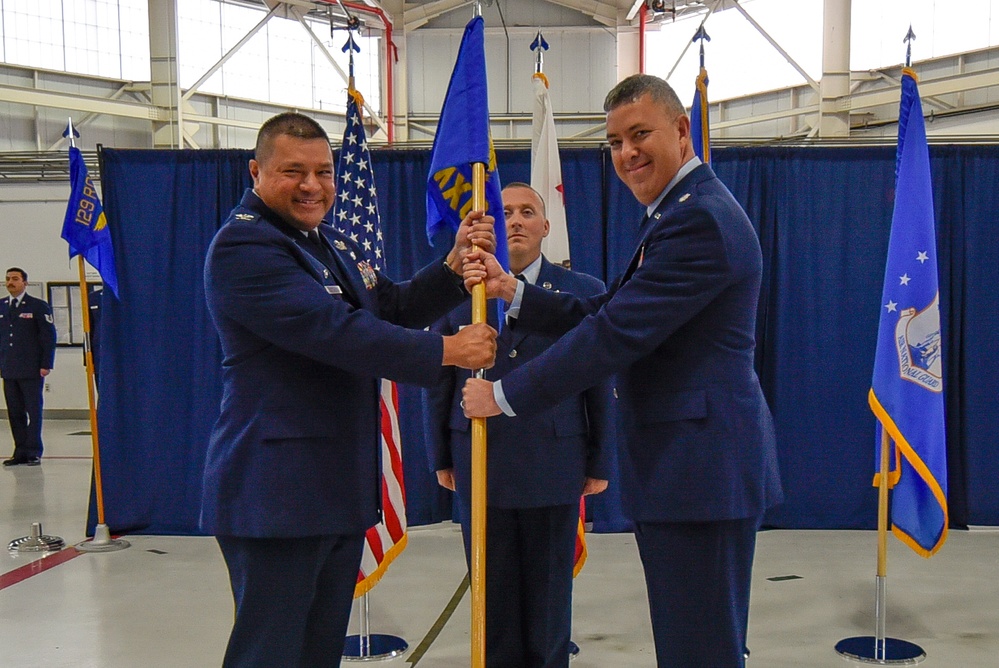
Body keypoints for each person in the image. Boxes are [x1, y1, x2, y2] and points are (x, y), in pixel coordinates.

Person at [461, 74, 783, 668]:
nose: (627, 154)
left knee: (701, 649)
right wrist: (518, 293)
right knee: (697, 642)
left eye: (640, 135)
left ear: (682, 131)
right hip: (692, 467)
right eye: (614, 142)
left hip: (699, 470)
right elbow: (614, 308)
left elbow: (611, 336)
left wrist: (503, 395)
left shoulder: (697, 221)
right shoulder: (680, 211)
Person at [201, 111, 498, 668]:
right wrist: (448, 352)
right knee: (270, 652)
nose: (313, 186)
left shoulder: (325, 240)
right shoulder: (246, 248)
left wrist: (454, 267)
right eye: (294, 171)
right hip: (276, 493)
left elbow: (388, 306)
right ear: (256, 172)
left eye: (324, 171)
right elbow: (335, 332)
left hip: (331, 486)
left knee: (316, 653)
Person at [424, 183, 612, 668]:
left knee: (549, 608)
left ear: (546, 227)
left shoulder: (583, 292)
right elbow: (440, 380)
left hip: (552, 463)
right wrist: (441, 455)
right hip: (479, 461)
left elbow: (597, 381)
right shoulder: (458, 289)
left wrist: (599, 459)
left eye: (528, 211)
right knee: (493, 604)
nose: (516, 220)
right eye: (504, 212)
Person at [1, 267, 56, 467]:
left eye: (15, 279)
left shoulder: (37, 306)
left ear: (25, 282)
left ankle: (34, 451)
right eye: (7, 279)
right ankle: (20, 452)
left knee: (33, 411)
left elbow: (48, 337)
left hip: (32, 369)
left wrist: (46, 364)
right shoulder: (2, 306)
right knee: (15, 412)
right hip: (9, 369)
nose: (10, 282)